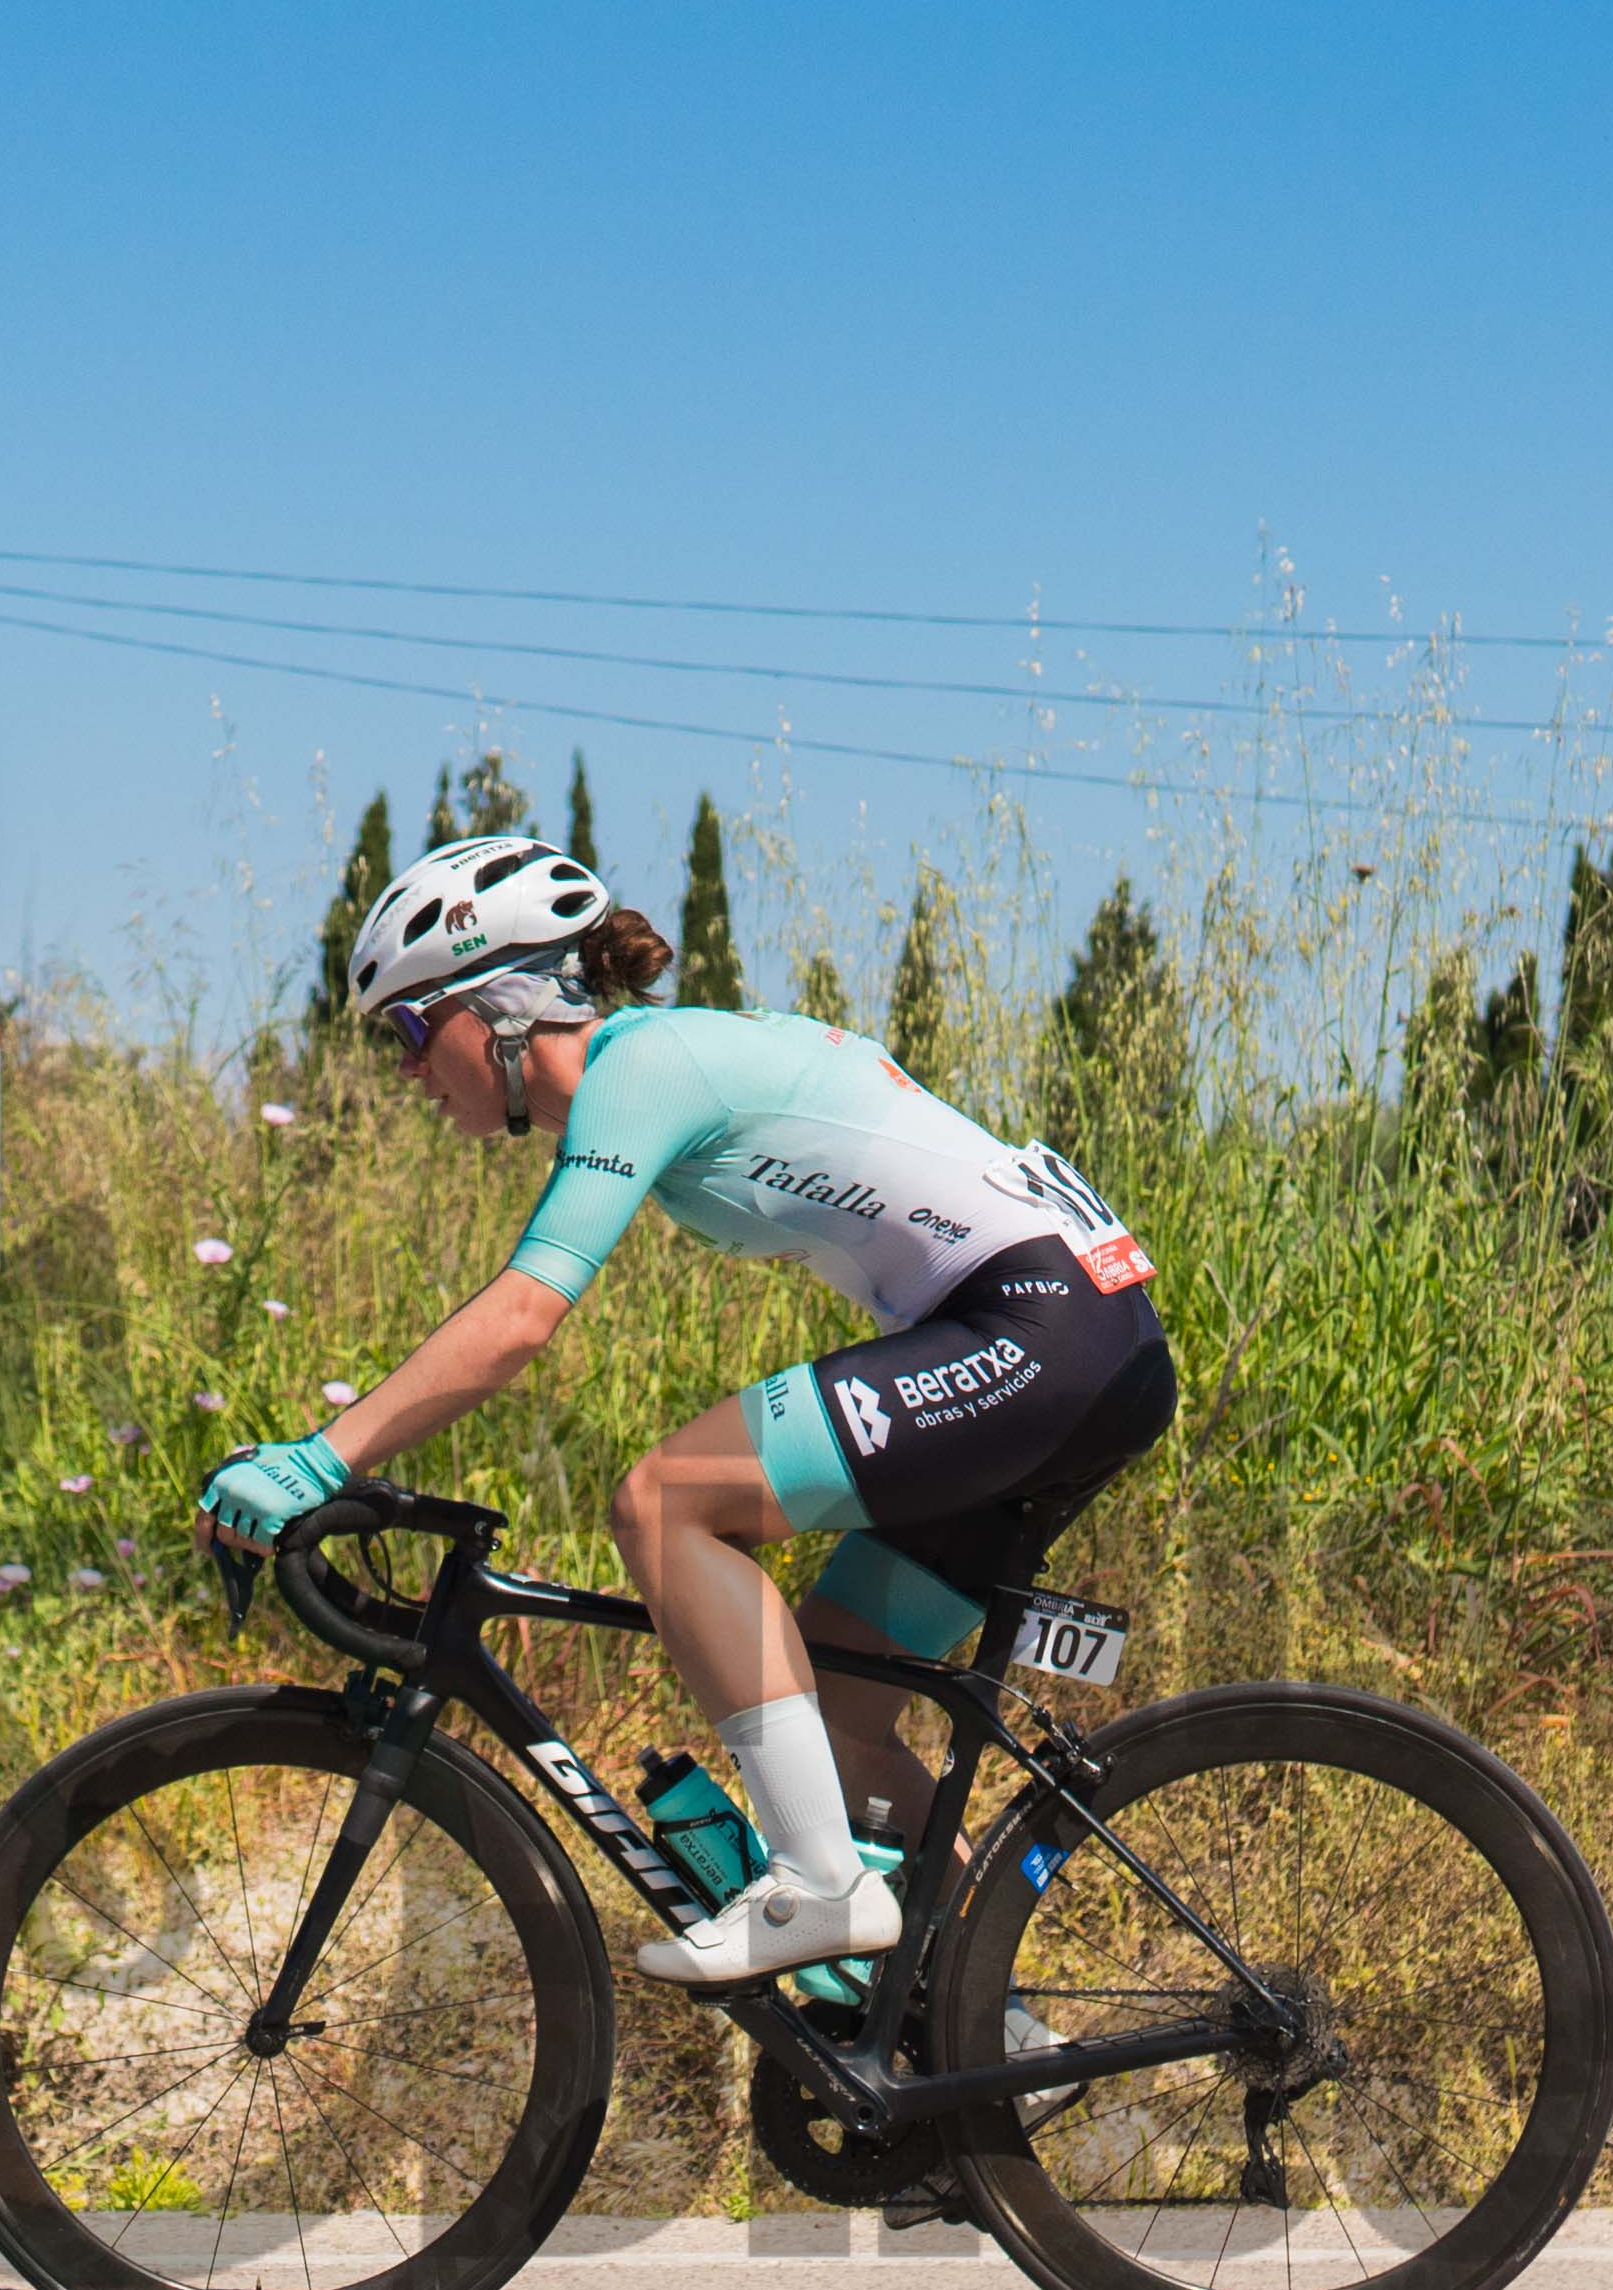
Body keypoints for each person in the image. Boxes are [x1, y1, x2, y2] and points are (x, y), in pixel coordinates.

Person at [199, 835, 1175, 1985]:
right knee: (841, 1709)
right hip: (1081, 1342)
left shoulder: (640, 1067)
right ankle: (972, 2026)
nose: (409, 1073)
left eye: (413, 1032)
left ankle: (818, 1886)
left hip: (1036, 1329)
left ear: (500, 1013)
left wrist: (321, 1455)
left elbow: (520, 1318)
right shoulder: (670, 1059)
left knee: (665, 1503)